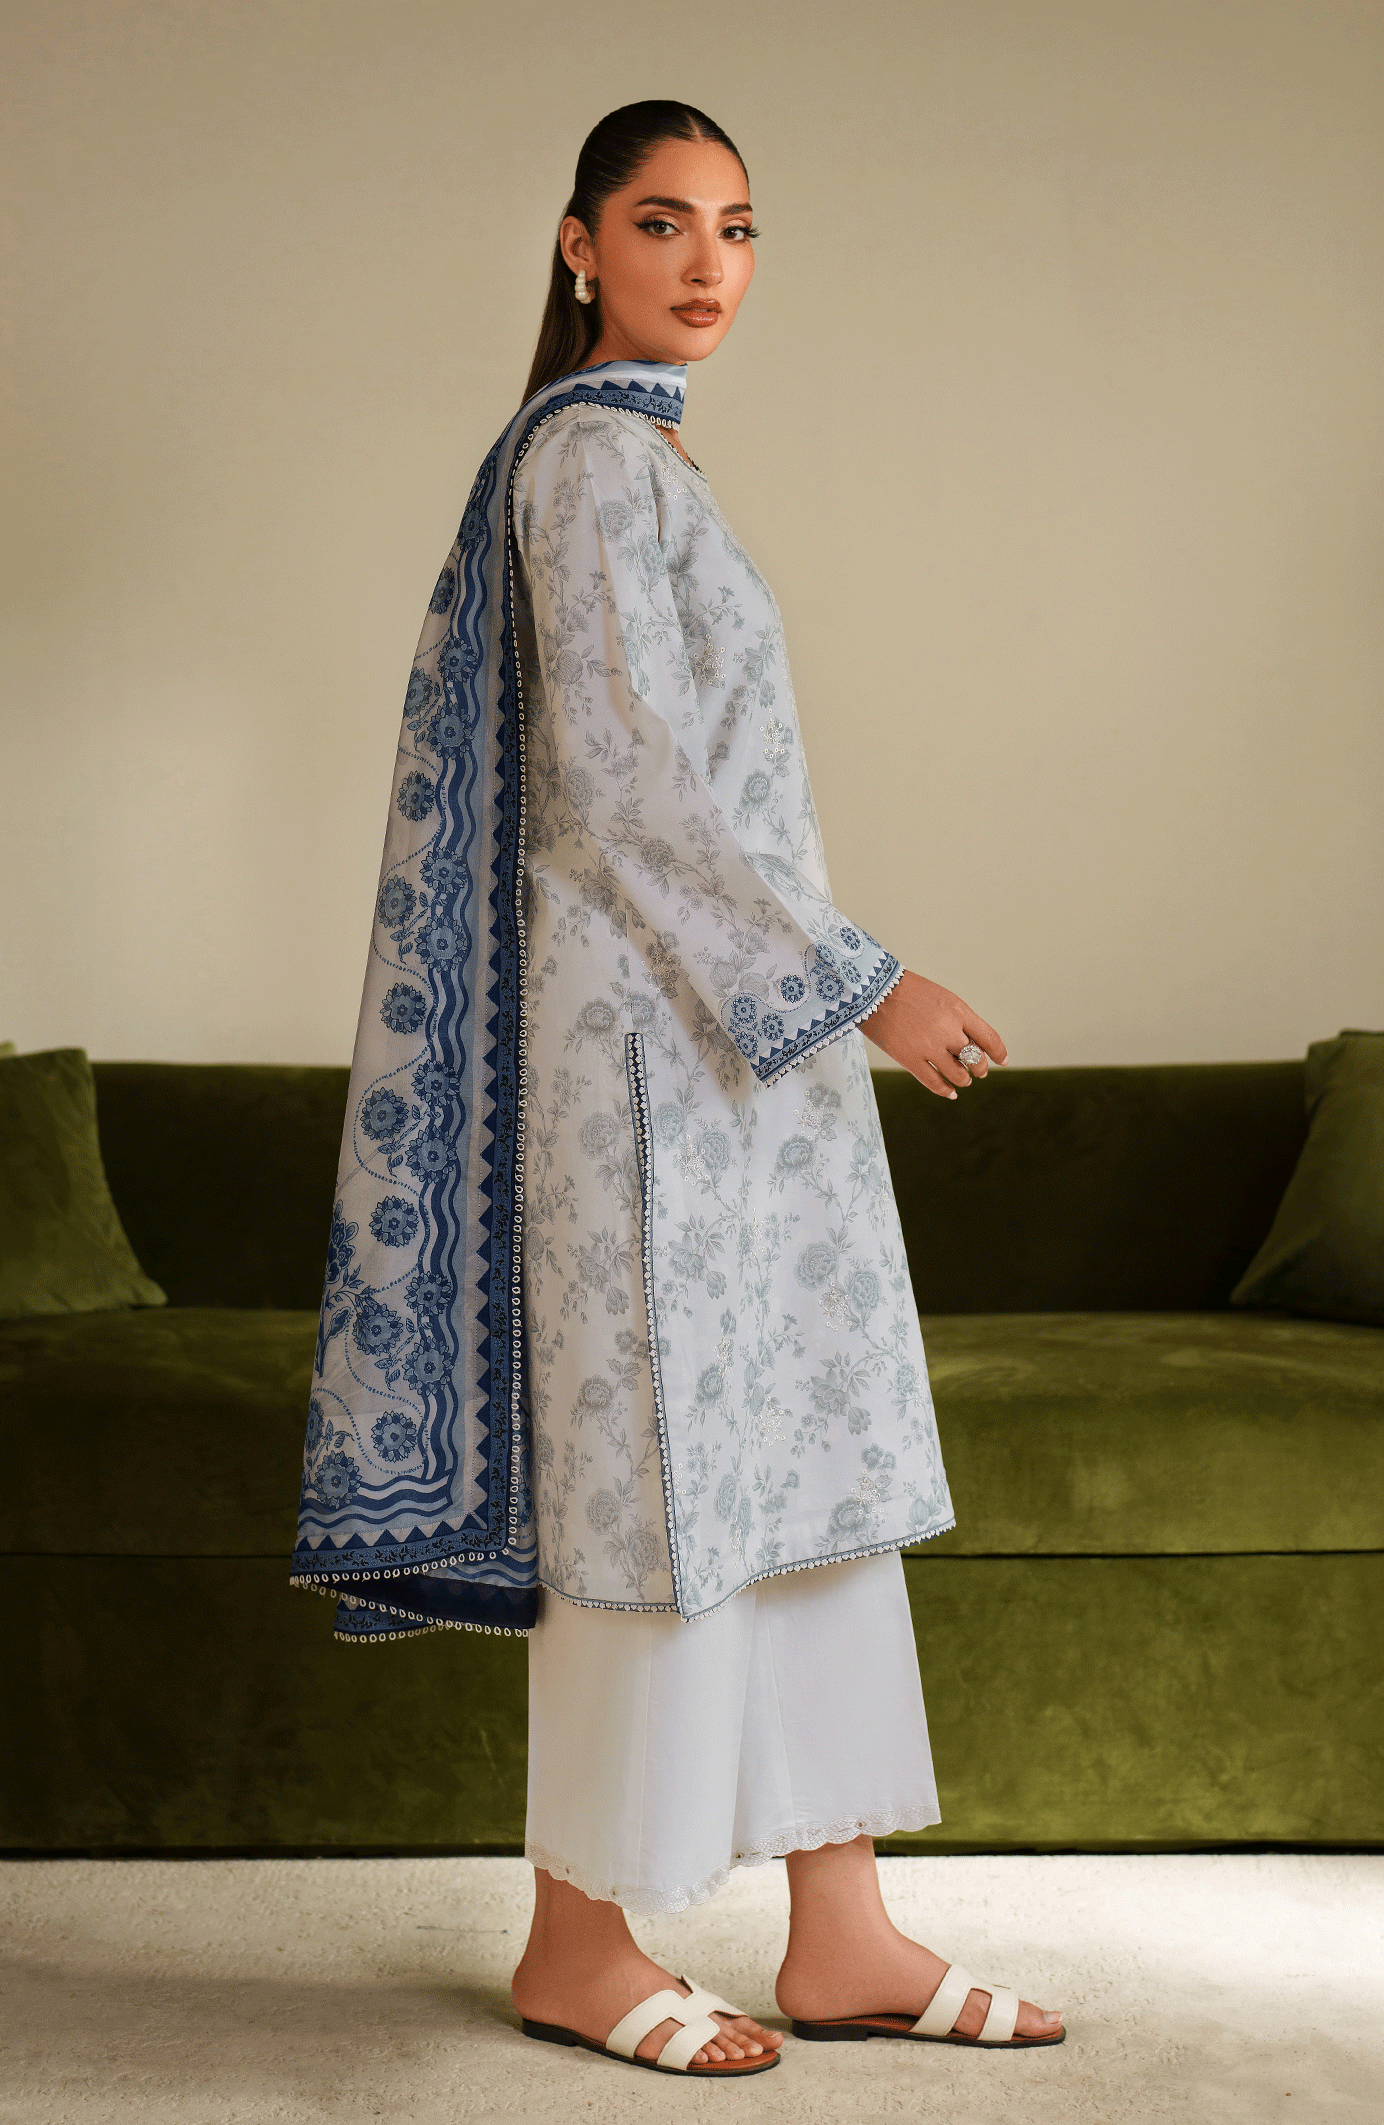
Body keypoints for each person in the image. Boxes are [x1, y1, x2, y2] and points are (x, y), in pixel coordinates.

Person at [292, 99, 1064, 2080]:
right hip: (640, 1073)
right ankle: (576, 1939)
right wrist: (868, 983)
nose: (707, 262)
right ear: (578, 246)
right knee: (647, 1489)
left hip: (738, 1064)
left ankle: (842, 1928)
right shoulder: (580, 461)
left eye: (736, 226)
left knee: (804, 1470)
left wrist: (815, 1004)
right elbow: (625, 779)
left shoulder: (644, 459)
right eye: (660, 222)